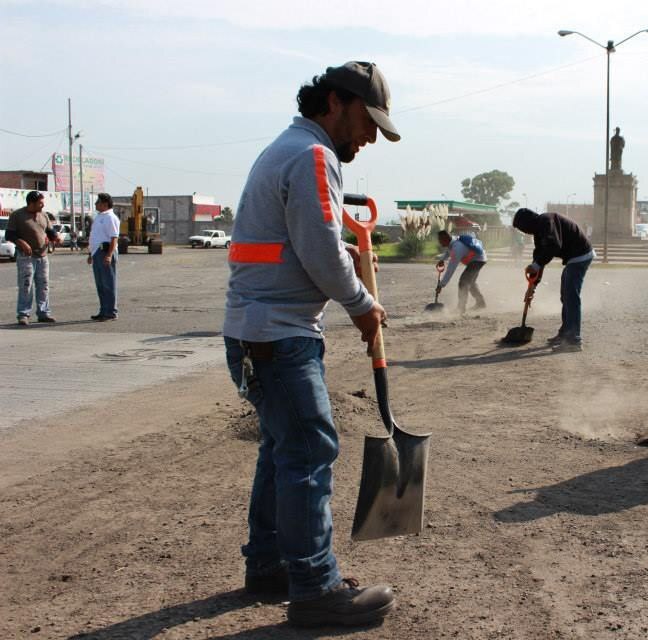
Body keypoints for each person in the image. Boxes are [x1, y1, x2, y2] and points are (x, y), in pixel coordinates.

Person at [222, 61, 399, 628]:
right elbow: (321, 250)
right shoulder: (313, 155)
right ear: (333, 103)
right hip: (278, 334)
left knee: (283, 449)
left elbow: (304, 244)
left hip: (258, 332)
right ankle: (317, 587)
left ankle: (271, 564)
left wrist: (345, 266)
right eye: (366, 122)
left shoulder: (291, 148)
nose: (369, 137)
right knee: (308, 452)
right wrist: (362, 304)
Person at [512, 207, 594, 352]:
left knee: (571, 296)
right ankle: (565, 333)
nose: (525, 232)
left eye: (523, 228)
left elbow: (553, 246)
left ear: (527, 222)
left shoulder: (546, 221)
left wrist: (536, 265)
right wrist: (532, 286)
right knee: (565, 295)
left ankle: (573, 340)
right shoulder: (539, 229)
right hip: (573, 258)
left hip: (580, 255)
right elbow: (539, 256)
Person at [5, 191, 58, 325]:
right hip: (26, 257)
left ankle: (43, 313)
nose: (43, 204)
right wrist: (21, 242)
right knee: (26, 285)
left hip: (43, 256)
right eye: (40, 202)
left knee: (44, 285)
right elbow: (9, 235)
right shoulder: (17, 215)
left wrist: (56, 237)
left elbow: (50, 232)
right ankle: (23, 314)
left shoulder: (44, 215)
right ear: (32, 203)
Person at [435, 229, 487, 313]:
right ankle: (481, 303)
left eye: (440, 240)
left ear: (445, 239)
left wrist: (441, 284)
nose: (440, 243)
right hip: (477, 259)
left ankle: (461, 308)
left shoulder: (457, 248)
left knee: (463, 282)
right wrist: (442, 260)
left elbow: (451, 269)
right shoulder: (453, 242)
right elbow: (448, 252)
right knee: (470, 283)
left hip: (478, 260)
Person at [87, 193, 121, 321]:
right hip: (97, 252)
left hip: (105, 252)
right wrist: (90, 253)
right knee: (100, 284)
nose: (96, 204)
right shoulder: (99, 217)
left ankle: (111, 311)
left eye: (98, 202)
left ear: (105, 204)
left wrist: (109, 255)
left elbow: (114, 238)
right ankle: (103, 310)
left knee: (108, 283)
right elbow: (95, 238)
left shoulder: (110, 217)